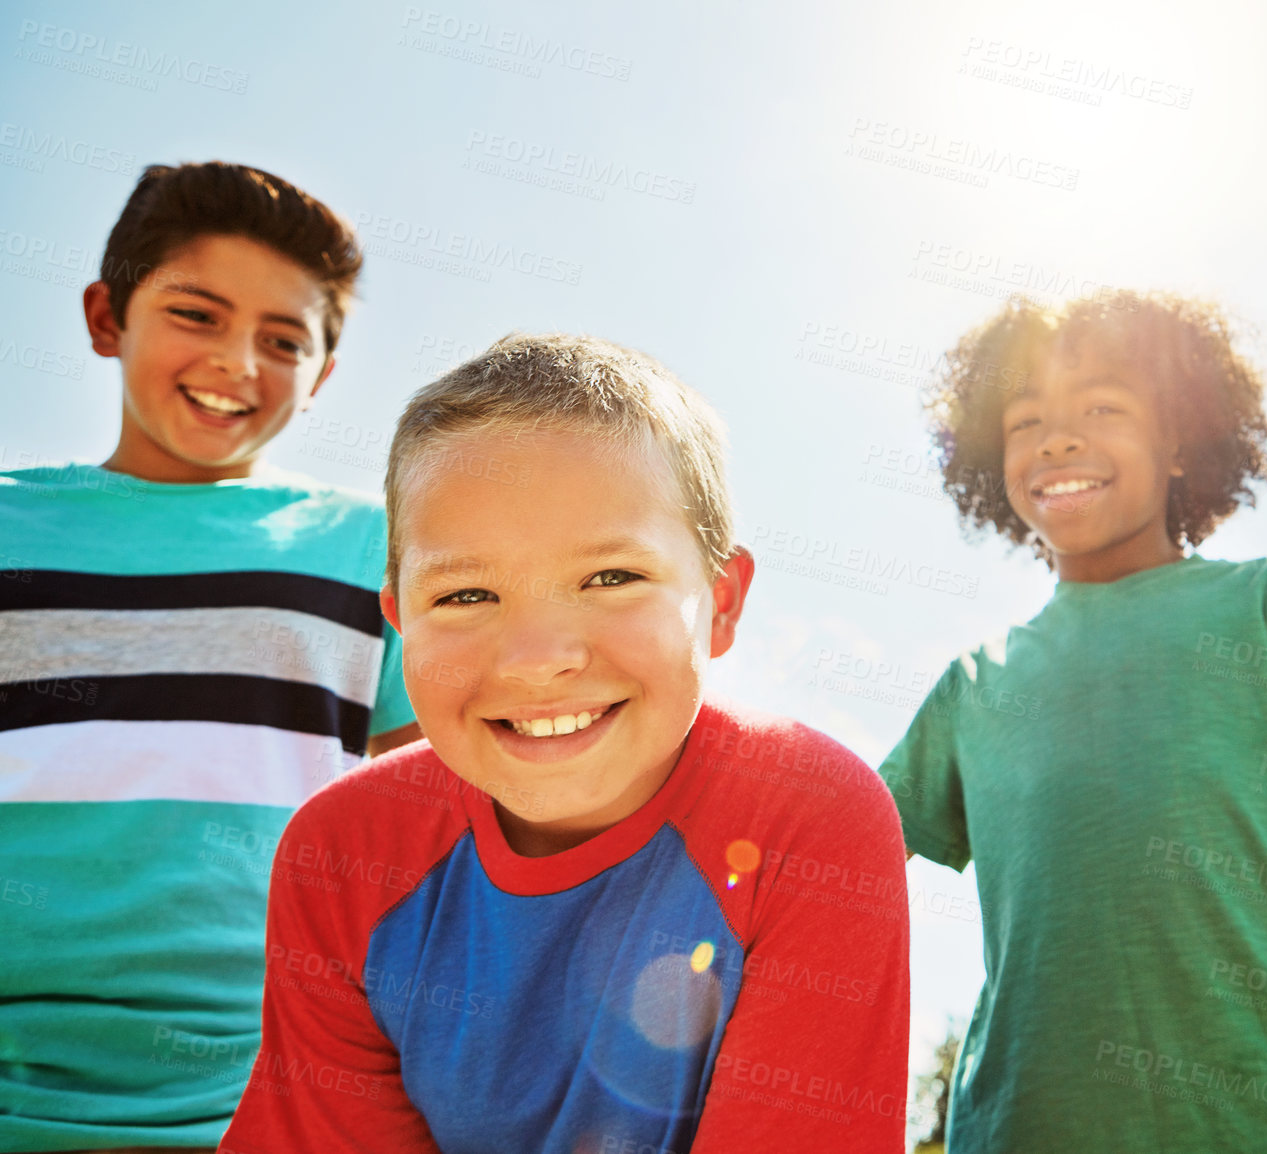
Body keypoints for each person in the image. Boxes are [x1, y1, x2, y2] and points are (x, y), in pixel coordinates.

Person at [220, 333, 911, 1153]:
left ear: (721, 605)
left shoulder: (810, 816)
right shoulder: (342, 853)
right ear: (400, 622)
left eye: (612, 578)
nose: (538, 659)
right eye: (467, 593)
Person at [882, 291, 1267, 1152]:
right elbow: (823, 854)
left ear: (1179, 442)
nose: (1057, 438)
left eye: (1103, 407)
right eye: (1024, 420)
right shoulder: (972, 688)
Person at [0, 161, 420, 1153]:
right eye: (196, 313)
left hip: (269, 1095)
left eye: (283, 340)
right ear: (108, 317)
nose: (238, 363)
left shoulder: (377, 551)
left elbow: (434, 827)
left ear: (319, 375)